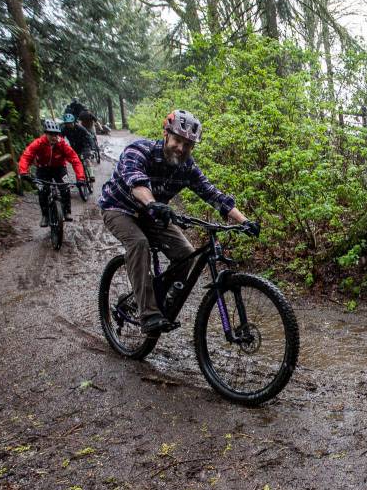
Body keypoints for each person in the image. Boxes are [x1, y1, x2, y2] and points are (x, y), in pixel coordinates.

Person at [98, 109, 260, 336]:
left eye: (188, 145)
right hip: (119, 208)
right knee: (138, 244)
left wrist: (245, 221)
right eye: (177, 140)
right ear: (166, 134)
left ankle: (156, 296)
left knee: (186, 254)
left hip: (153, 212)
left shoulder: (187, 166)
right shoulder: (139, 151)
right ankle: (149, 315)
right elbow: (137, 182)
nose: (181, 148)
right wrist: (152, 203)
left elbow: (212, 194)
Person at [18, 119, 86, 227]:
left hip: (60, 168)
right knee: (42, 191)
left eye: (56, 134)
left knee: (65, 187)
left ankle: (67, 211)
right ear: (46, 134)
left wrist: (80, 178)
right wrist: (23, 172)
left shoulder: (62, 144)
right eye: (51, 134)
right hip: (43, 169)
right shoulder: (38, 143)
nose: (54, 137)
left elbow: (75, 160)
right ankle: (45, 215)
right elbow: (26, 156)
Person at [60, 113, 96, 181]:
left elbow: (88, 136)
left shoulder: (80, 127)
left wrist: (92, 147)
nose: (69, 125)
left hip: (84, 145)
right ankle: (80, 176)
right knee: (76, 162)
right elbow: (60, 139)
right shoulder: (65, 129)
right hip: (74, 147)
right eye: (67, 123)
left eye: (70, 123)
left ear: (73, 122)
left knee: (87, 159)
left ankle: (91, 175)